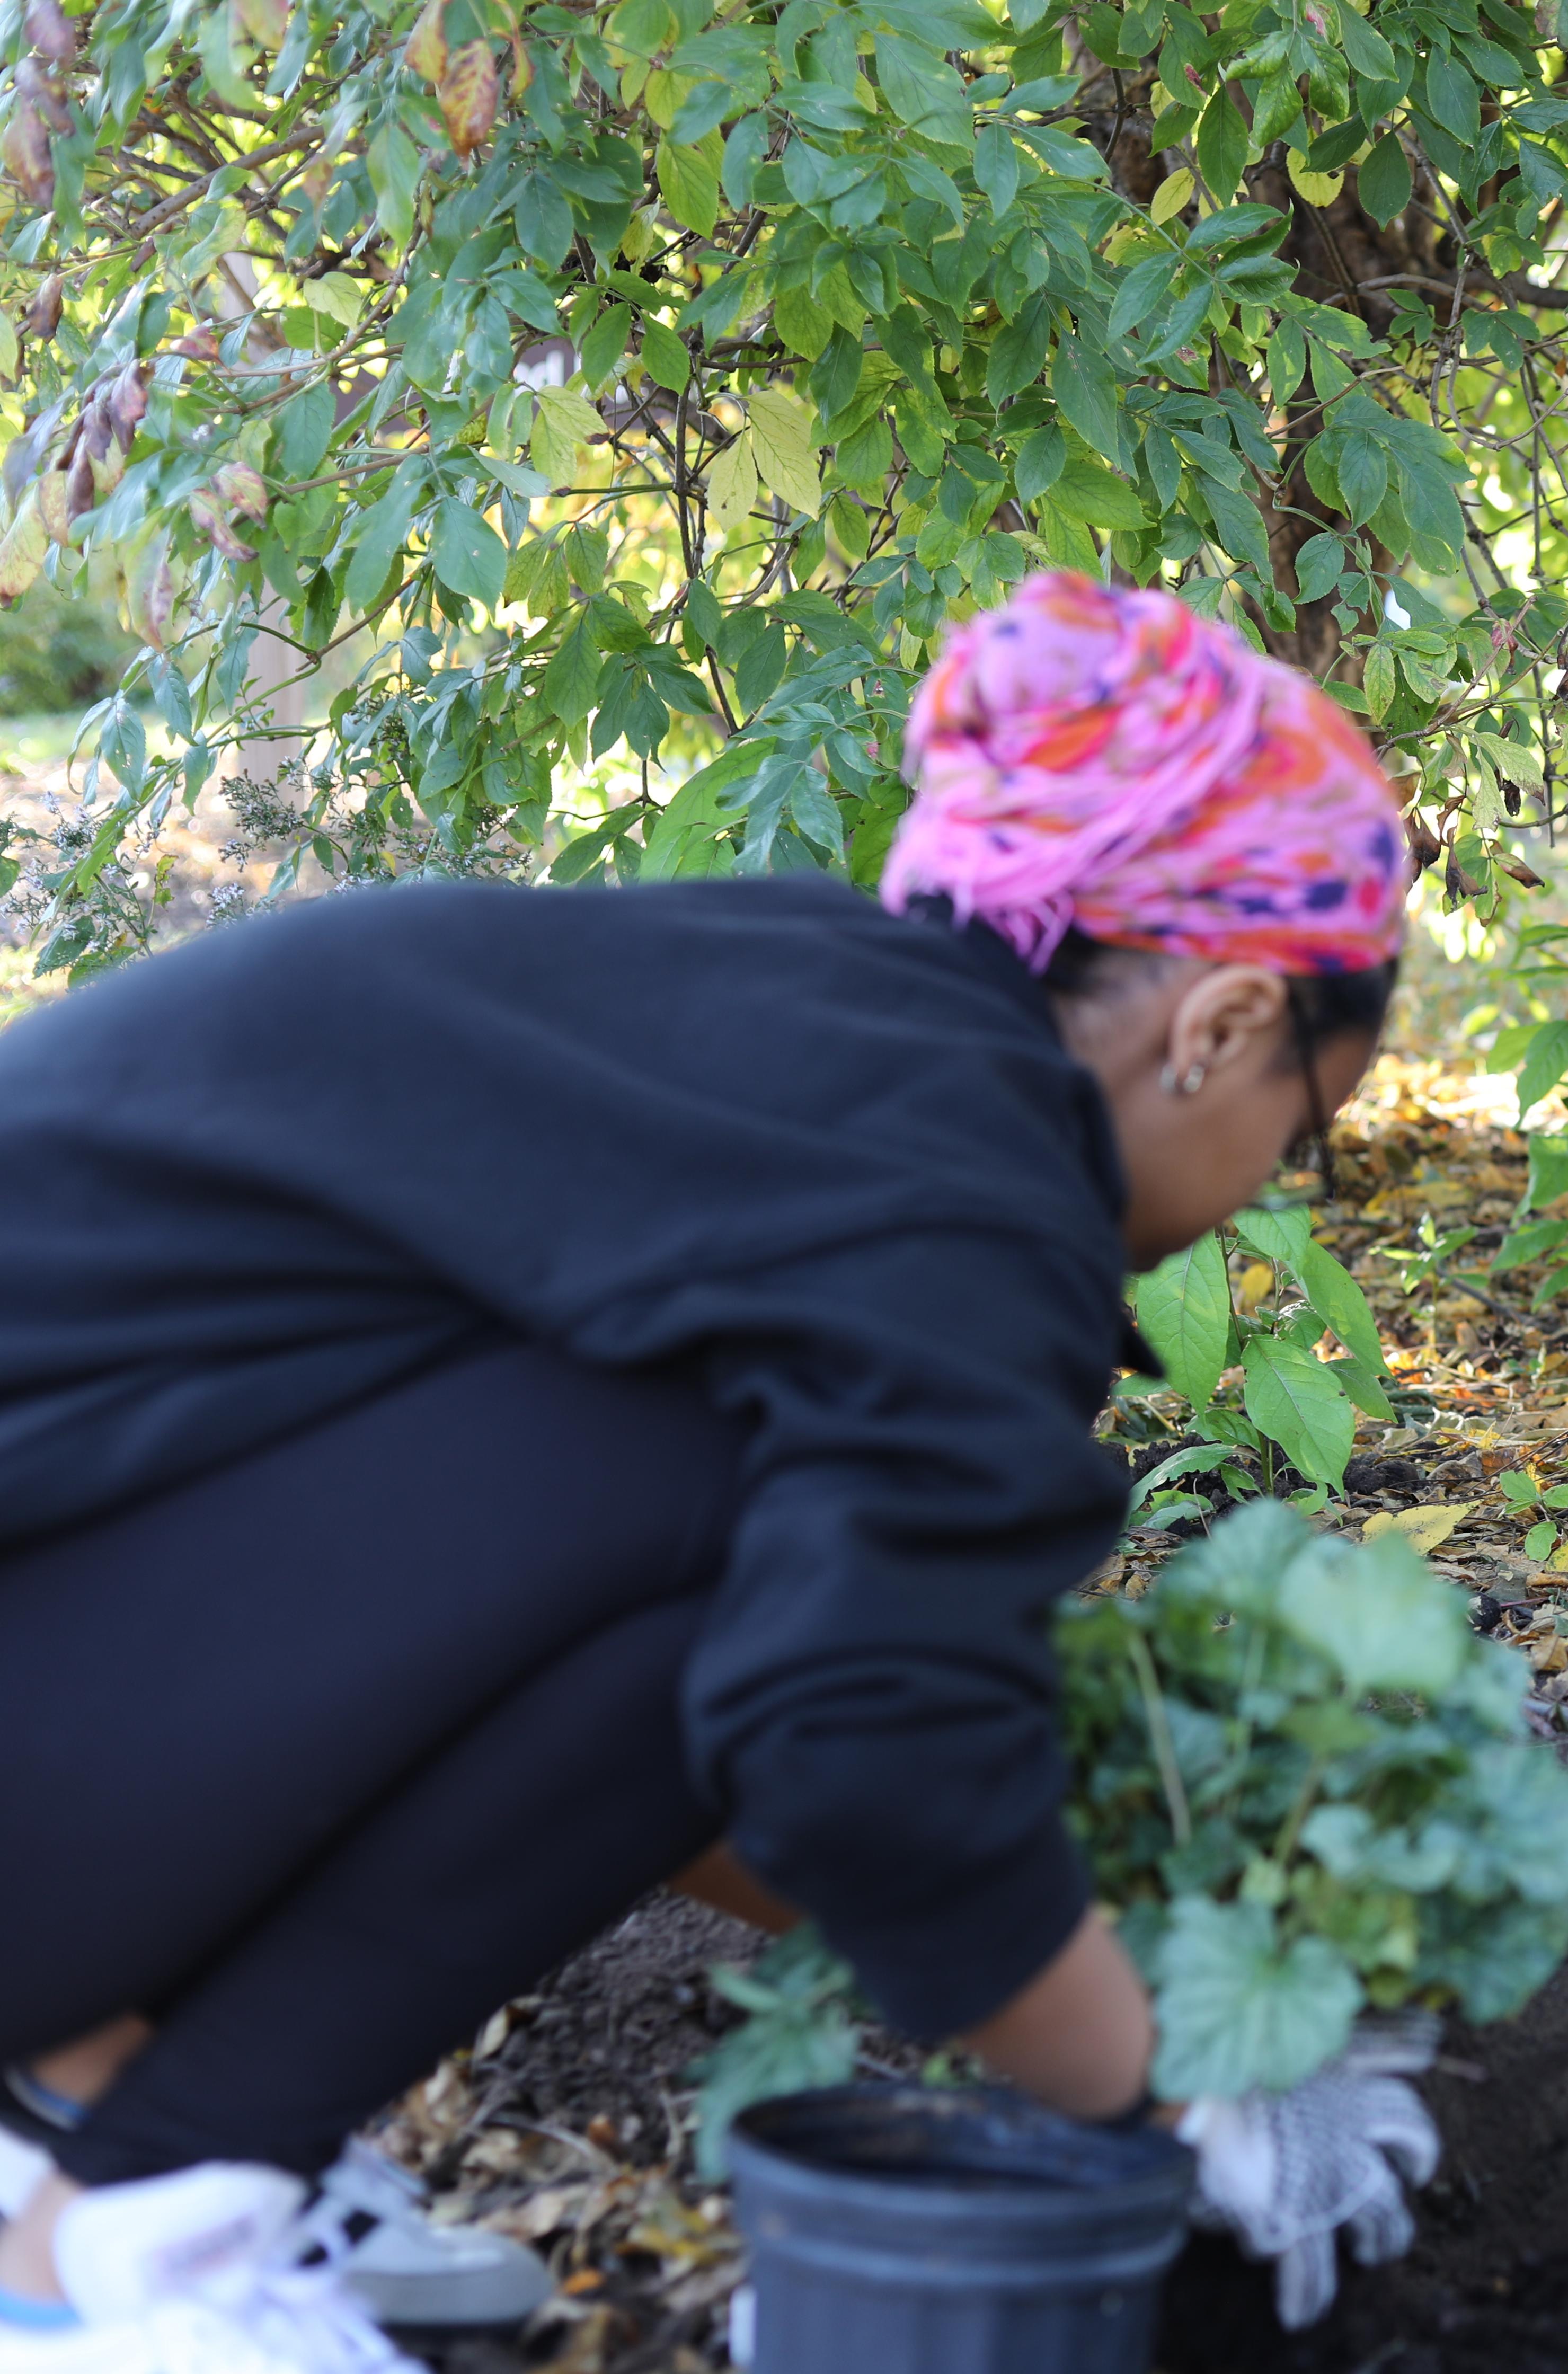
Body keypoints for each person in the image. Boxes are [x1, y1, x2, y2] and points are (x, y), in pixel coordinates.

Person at [0, 574, 1427, 2371]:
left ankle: (116, 2187)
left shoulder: (816, 1040)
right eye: (1305, 1133)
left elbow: (688, 1729)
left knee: (741, 1544)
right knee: (754, 1537)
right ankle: (119, 2261)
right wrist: (1171, 2079)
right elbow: (848, 1734)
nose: (1269, 1182)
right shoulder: (966, 1196)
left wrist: (1078, 1935)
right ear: (1218, 1026)